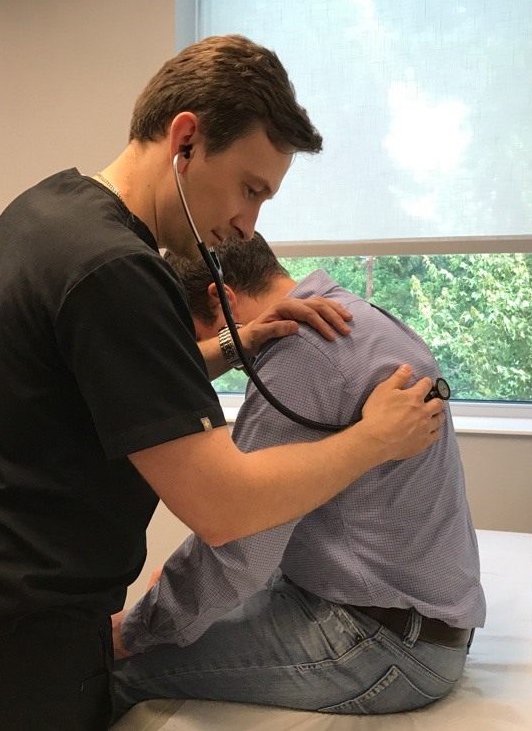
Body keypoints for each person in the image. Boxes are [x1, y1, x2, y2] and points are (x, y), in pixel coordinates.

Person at [0, 35, 448, 731]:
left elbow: (103, 388)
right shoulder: (119, 272)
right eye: (249, 190)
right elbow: (225, 507)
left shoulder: (48, 212)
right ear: (185, 140)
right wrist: (375, 440)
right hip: (21, 650)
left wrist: (235, 343)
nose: (248, 226)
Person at [112, 234, 485, 719]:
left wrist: (133, 629)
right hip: (423, 622)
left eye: (193, 335)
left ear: (221, 299)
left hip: (385, 642)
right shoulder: (356, 314)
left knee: (116, 670)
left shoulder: (301, 357)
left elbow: (240, 542)